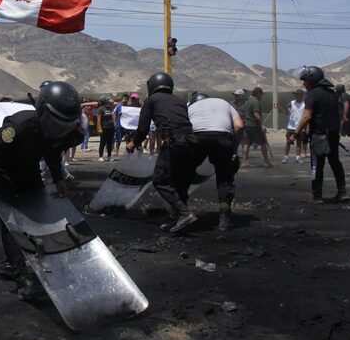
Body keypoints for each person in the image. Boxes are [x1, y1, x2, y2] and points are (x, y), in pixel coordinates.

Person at [0, 81, 84, 299]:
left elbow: (53, 150)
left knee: (38, 215)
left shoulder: (58, 129)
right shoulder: (19, 127)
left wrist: (58, 179)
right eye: (55, 124)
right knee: (11, 222)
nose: (58, 130)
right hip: (3, 172)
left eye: (64, 126)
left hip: (29, 171)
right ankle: (22, 277)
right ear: (43, 113)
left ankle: (17, 263)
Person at [127, 72, 198, 233]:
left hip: (174, 143)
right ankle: (179, 219)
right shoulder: (180, 101)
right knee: (180, 183)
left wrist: (133, 143)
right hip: (192, 143)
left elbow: (143, 128)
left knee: (160, 180)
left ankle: (185, 214)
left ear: (152, 86)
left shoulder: (151, 100)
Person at [289, 66, 347, 203]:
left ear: (312, 80)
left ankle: (317, 195)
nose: (303, 84)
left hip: (319, 135)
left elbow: (307, 116)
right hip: (333, 134)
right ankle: (342, 191)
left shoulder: (312, 95)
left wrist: (296, 133)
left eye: (305, 81)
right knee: (335, 162)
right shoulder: (333, 94)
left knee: (316, 165)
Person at [187, 92, 244, 231]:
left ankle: (180, 214)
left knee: (185, 175)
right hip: (222, 138)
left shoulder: (190, 108)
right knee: (224, 179)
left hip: (196, 137)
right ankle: (224, 219)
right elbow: (239, 126)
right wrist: (234, 149)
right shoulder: (224, 103)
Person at [241, 87, 273, 168]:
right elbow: (256, 114)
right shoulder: (255, 102)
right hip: (254, 125)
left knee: (246, 144)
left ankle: (244, 162)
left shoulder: (247, 102)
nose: (261, 96)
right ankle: (266, 161)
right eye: (261, 94)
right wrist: (262, 124)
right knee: (263, 143)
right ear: (258, 94)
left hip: (247, 125)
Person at [283, 89, 307, 164]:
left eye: (297, 94)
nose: (296, 96)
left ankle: (297, 157)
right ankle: (286, 157)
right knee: (288, 142)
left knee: (298, 142)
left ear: (301, 95)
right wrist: (286, 108)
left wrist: (307, 127)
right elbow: (286, 113)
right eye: (295, 94)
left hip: (300, 126)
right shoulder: (291, 103)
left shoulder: (304, 104)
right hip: (291, 126)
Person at [96, 97, 115, 162]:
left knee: (110, 143)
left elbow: (112, 117)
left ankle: (109, 156)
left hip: (111, 127)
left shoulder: (109, 108)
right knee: (102, 142)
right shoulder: (100, 109)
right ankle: (100, 156)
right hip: (104, 128)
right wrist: (99, 128)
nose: (108, 102)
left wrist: (114, 126)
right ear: (104, 101)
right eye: (107, 101)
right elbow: (98, 119)